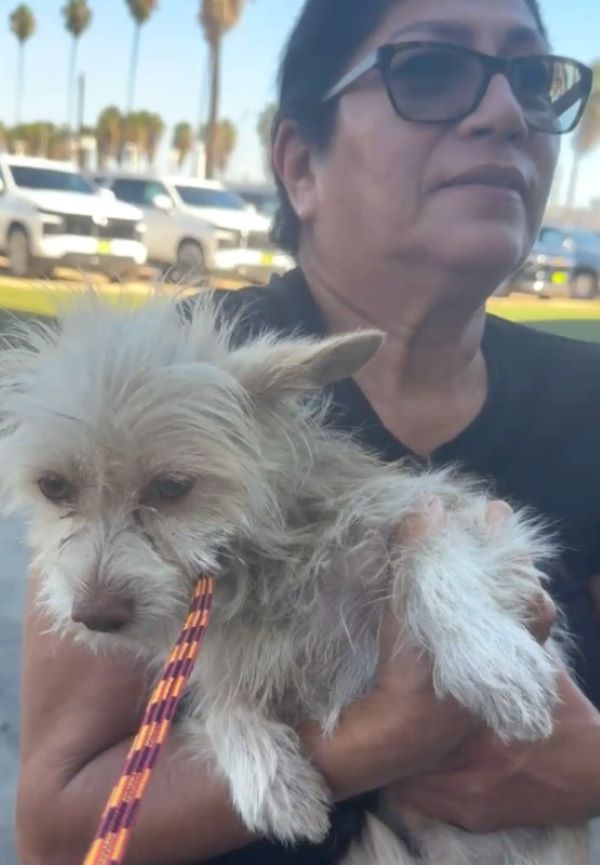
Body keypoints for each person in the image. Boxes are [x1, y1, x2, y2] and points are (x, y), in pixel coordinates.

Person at [15, 0, 600, 863]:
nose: (505, 113)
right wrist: (373, 740)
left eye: (534, 79)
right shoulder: (144, 385)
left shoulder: (585, 397)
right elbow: (57, 833)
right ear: (299, 164)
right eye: (430, 71)